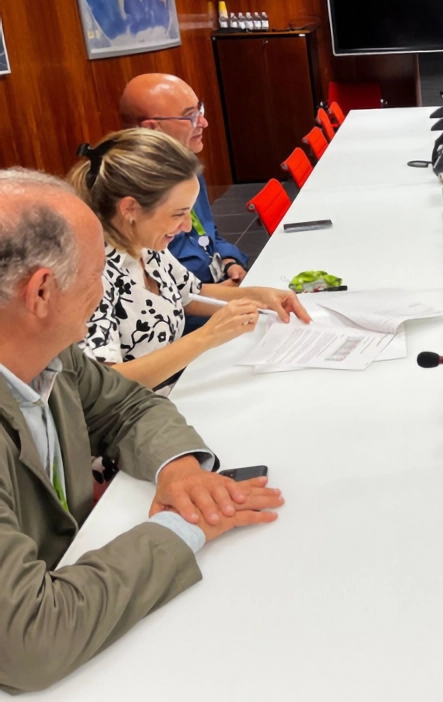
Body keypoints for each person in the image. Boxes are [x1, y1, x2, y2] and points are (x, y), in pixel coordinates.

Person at [0, 168, 283, 693]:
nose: (106, 285)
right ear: (41, 292)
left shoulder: (48, 355)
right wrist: (187, 526)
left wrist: (178, 468)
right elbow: (31, 639)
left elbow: (125, 405)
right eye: (94, 271)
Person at [69, 130, 309, 391]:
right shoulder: (89, 275)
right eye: (178, 214)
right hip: (135, 415)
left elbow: (190, 294)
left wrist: (258, 295)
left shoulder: (145, 242)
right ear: (130, 209)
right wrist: (207, 336)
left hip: (177, 390)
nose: (185, 227)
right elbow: (104, 387)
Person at [120, 73, 247, 286]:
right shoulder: (134, 194)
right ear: (151, 128)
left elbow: (207, 231)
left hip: (216, 288)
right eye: (190, 116)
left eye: (200, 110)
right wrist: (217, 297)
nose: (204, 122)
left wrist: (228, 260)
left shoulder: (187, 168)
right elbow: (149, 293)